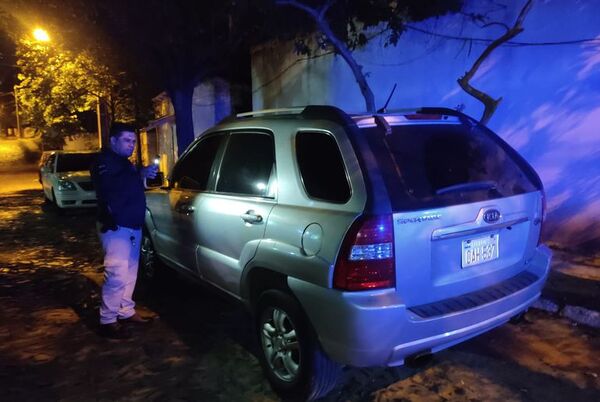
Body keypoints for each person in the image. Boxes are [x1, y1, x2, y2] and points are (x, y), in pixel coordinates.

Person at [90, 122, 158, 339]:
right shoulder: (104, 162)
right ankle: (107, 320)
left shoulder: (125, 164)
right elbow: (112, 185)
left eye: (134, 141)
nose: (132, 145)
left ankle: (126, 311)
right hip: (115, 225)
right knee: (116, 273)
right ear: (113, 141)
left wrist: (143, 174)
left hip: (132, 225)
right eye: (127, 140)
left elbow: (131, 184)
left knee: (130, 272)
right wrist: (140, 173)